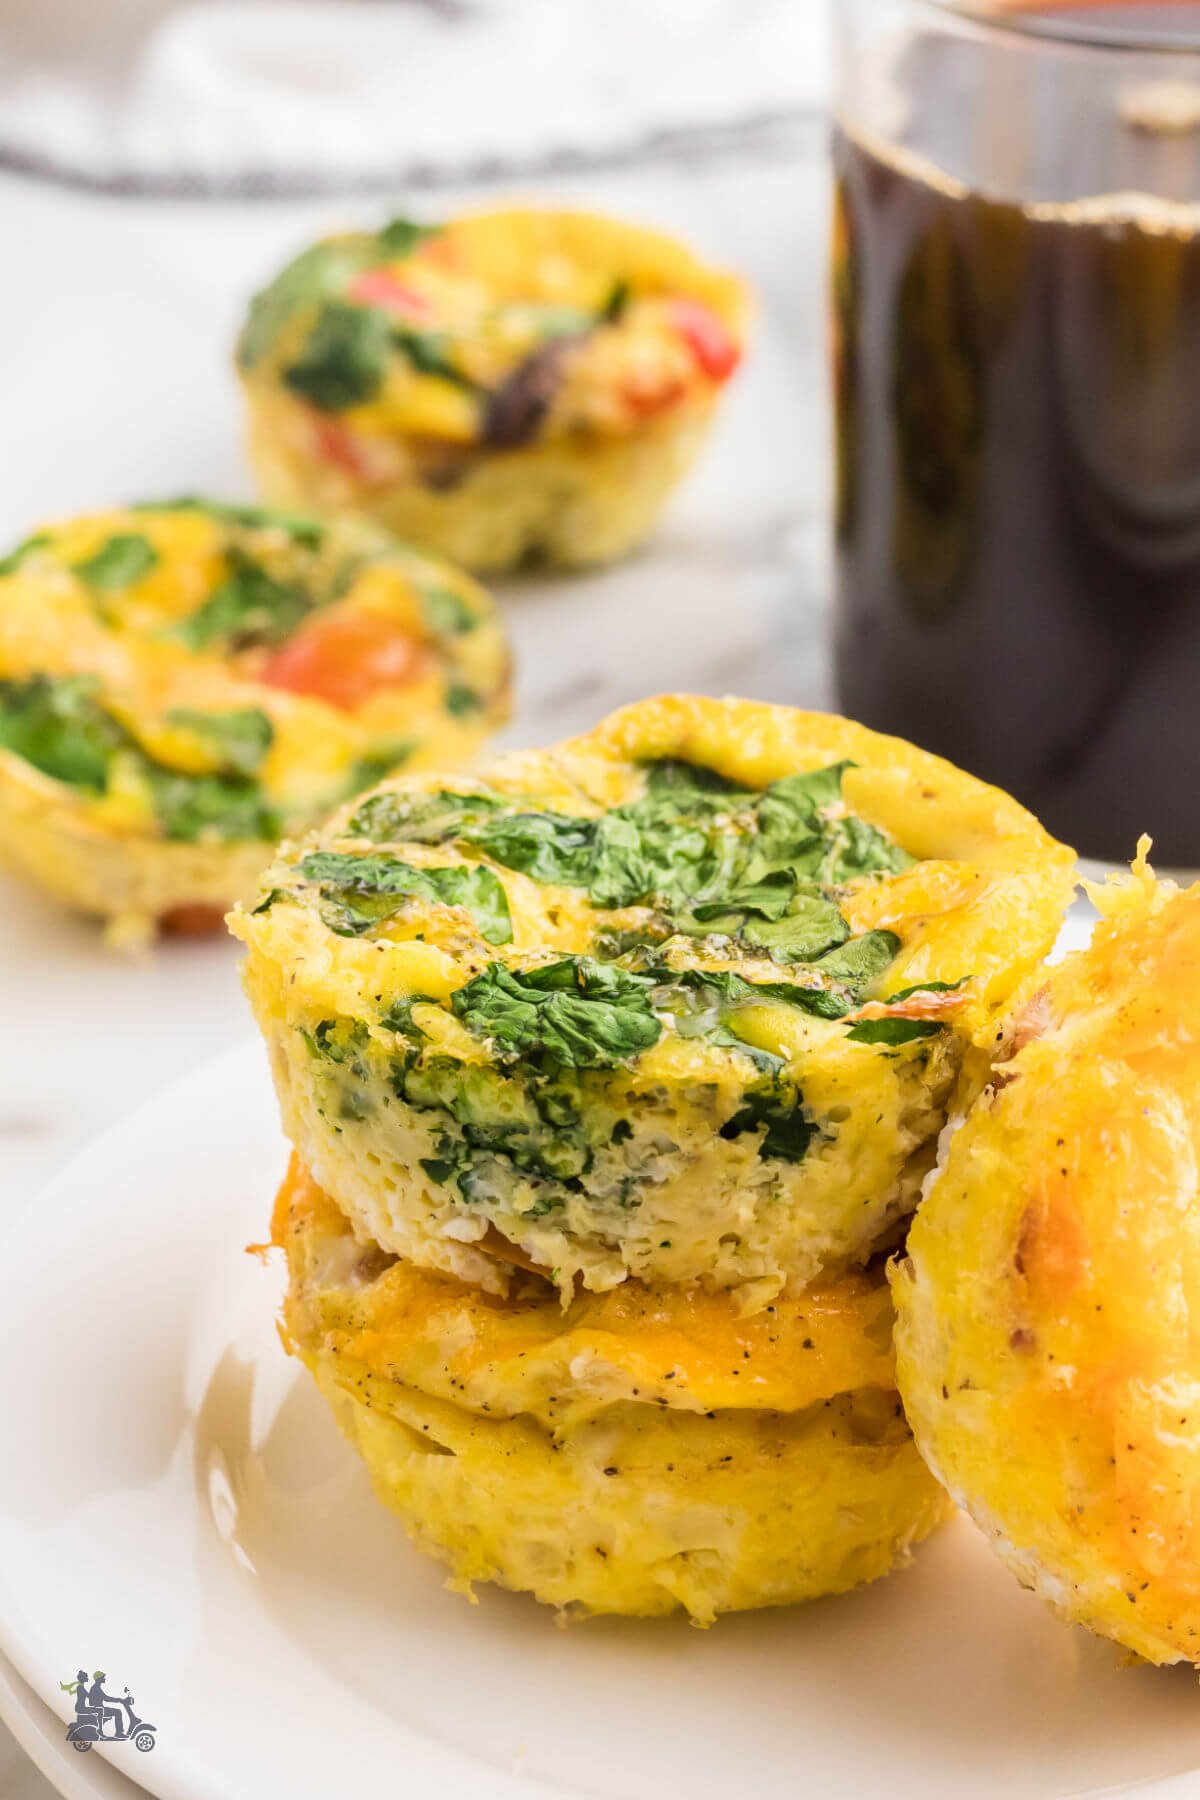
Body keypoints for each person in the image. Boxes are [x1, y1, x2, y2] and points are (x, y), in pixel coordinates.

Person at [86, 1671, 123, 1739]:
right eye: (103, 1677)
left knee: (117, 1711)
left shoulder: (96, 1687)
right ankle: (119, 1733)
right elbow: (106, 1698)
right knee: (118, 1712)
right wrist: (119, 1700)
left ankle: (119, 1733)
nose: (104, 1679)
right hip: (98, 1709)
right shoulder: (96, 1688)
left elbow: (105, 1698)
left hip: (99, 1708)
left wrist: (119, 1700)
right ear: (98, 1679)